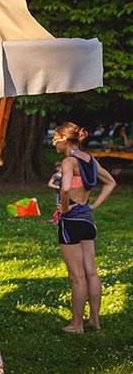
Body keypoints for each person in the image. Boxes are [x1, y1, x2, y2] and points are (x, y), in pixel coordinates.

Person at [52, 122, 116, 333]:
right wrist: (93, 205)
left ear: (64, 140)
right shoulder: (89, 159)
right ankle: (94, 320)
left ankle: (76, 324)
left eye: (55, 138)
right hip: (87, 220)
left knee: (77, 276)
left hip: (71, 221)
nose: (53, 142)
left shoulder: (68, 162)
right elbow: (111, 182)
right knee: (91, 272)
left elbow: (66, 188)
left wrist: (64, 207)